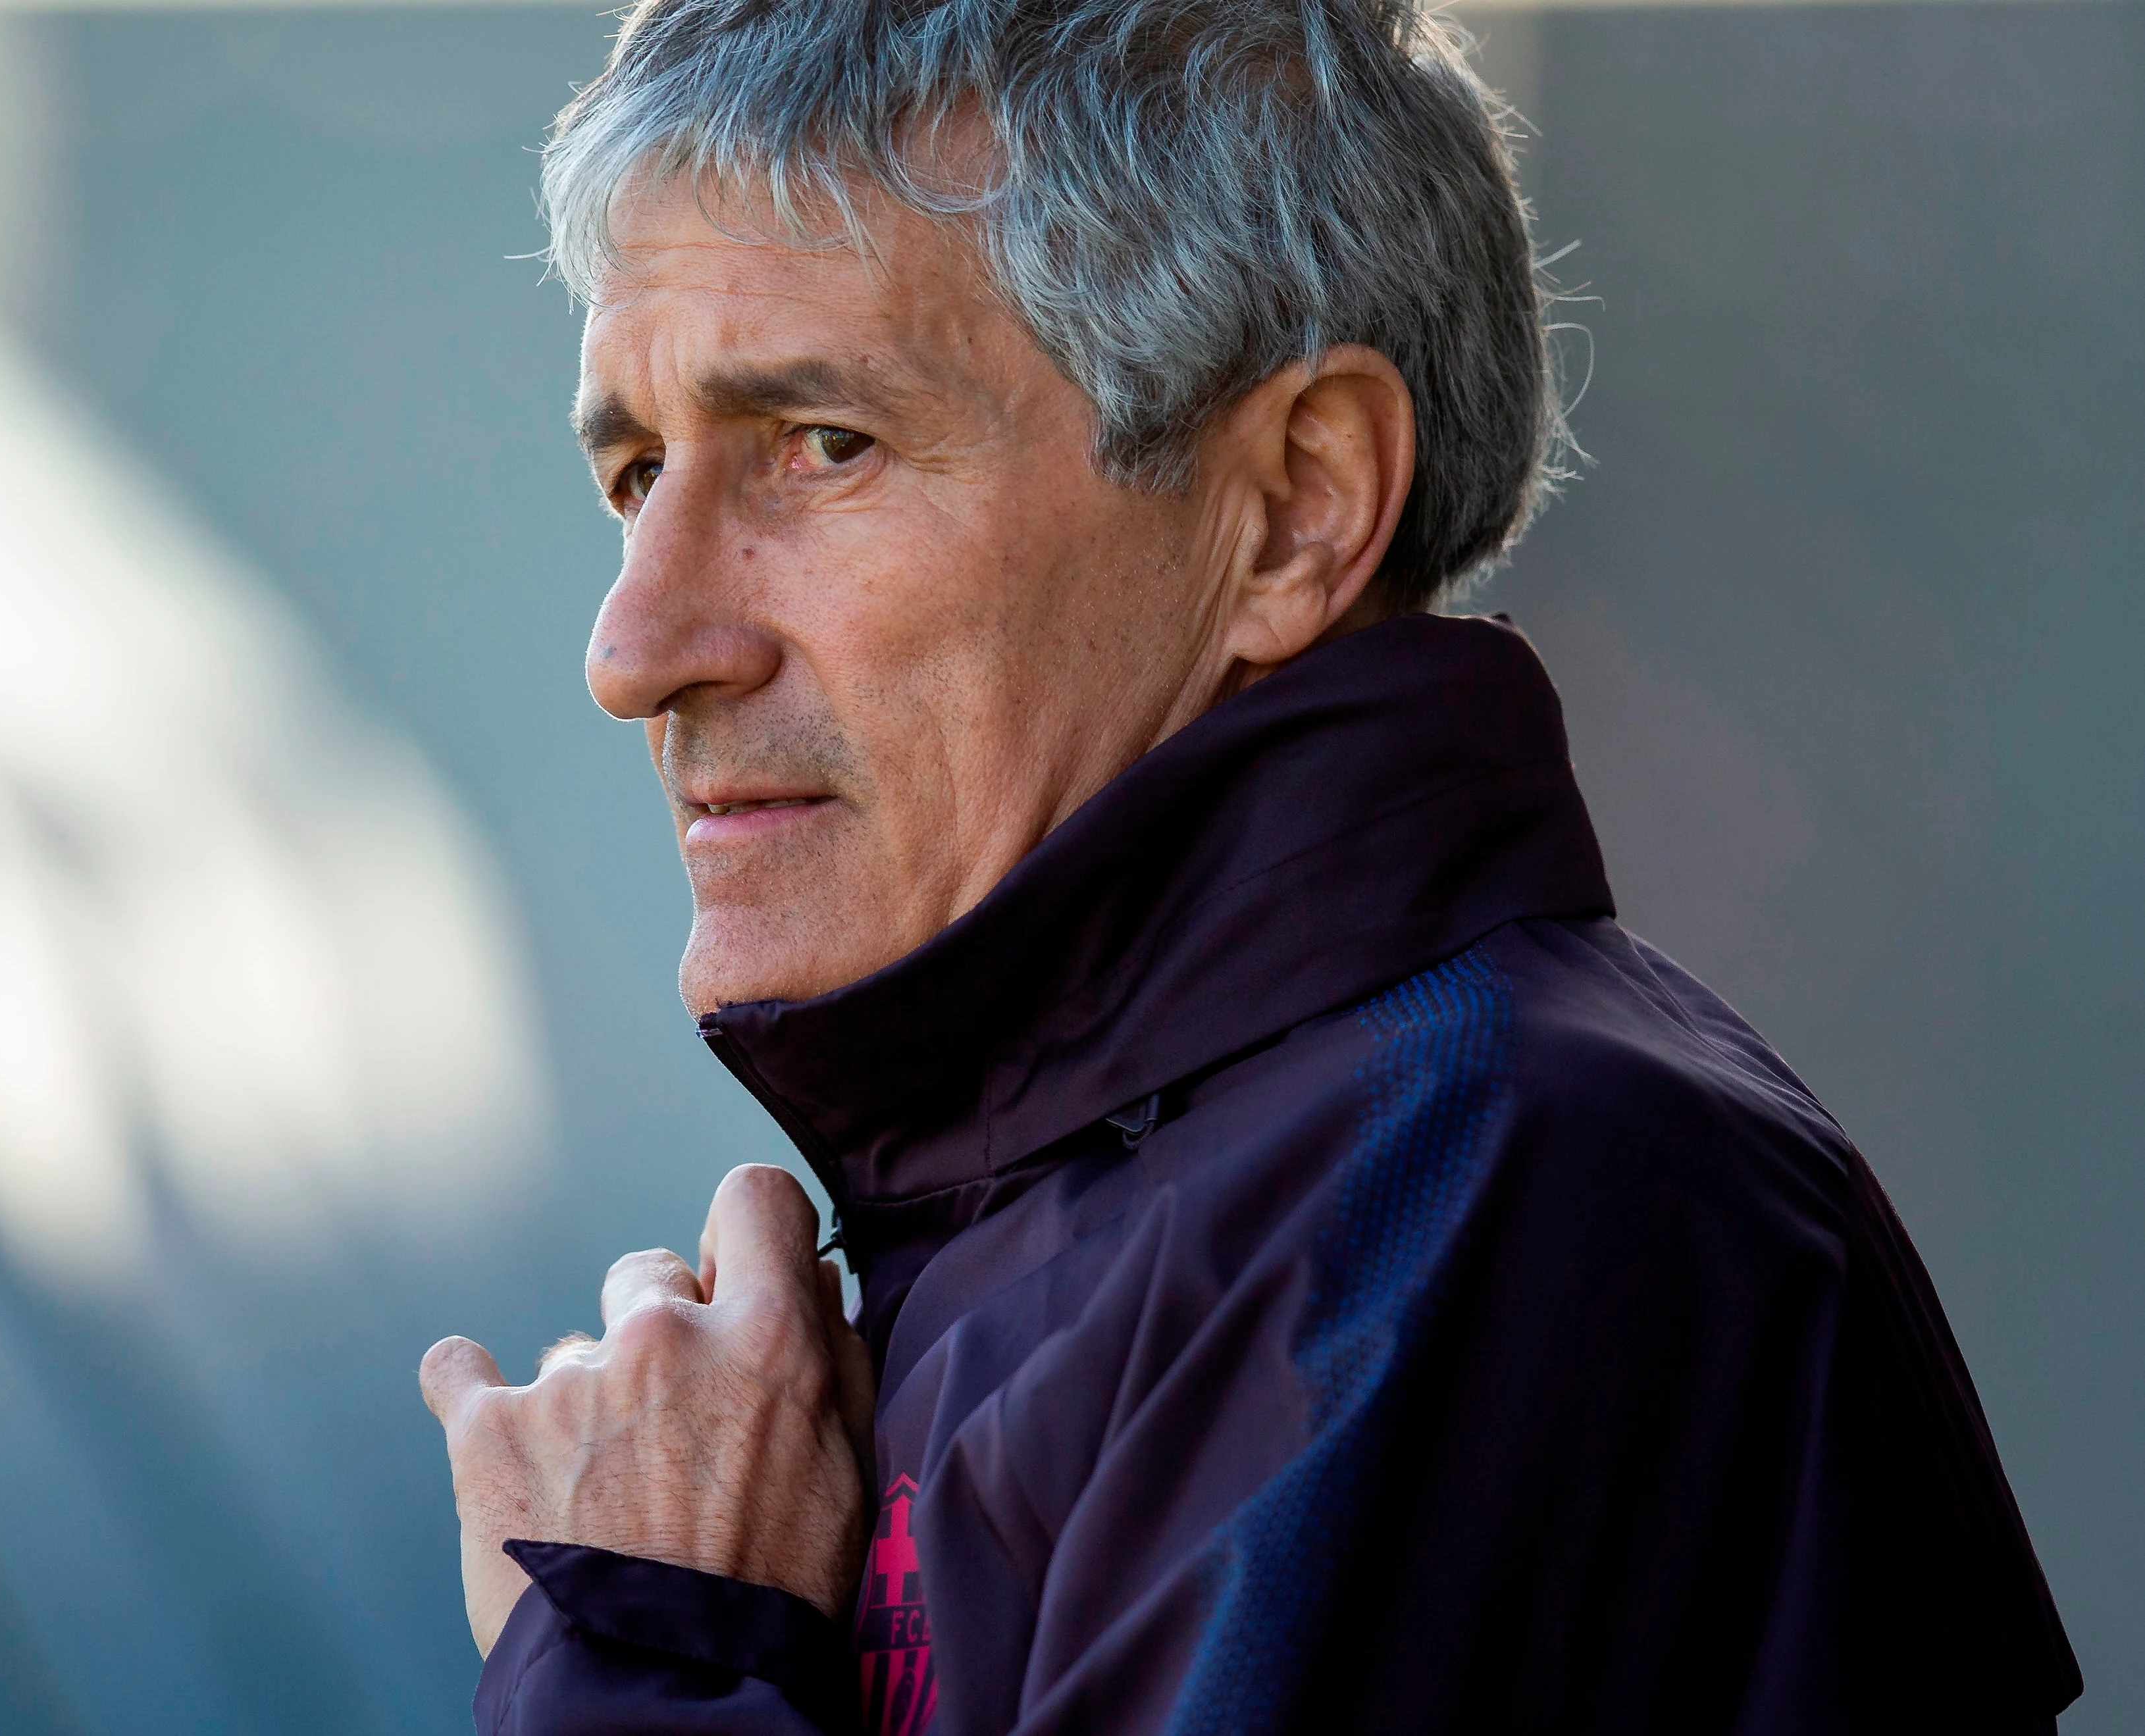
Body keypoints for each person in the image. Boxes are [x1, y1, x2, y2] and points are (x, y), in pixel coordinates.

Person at [415, 0, 2082, 1729]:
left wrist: (642, 1652)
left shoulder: (1486, 1192)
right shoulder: (1140, 1203)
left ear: (1293, 504)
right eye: (634, 473)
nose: (639, 643)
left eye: (823, 445)